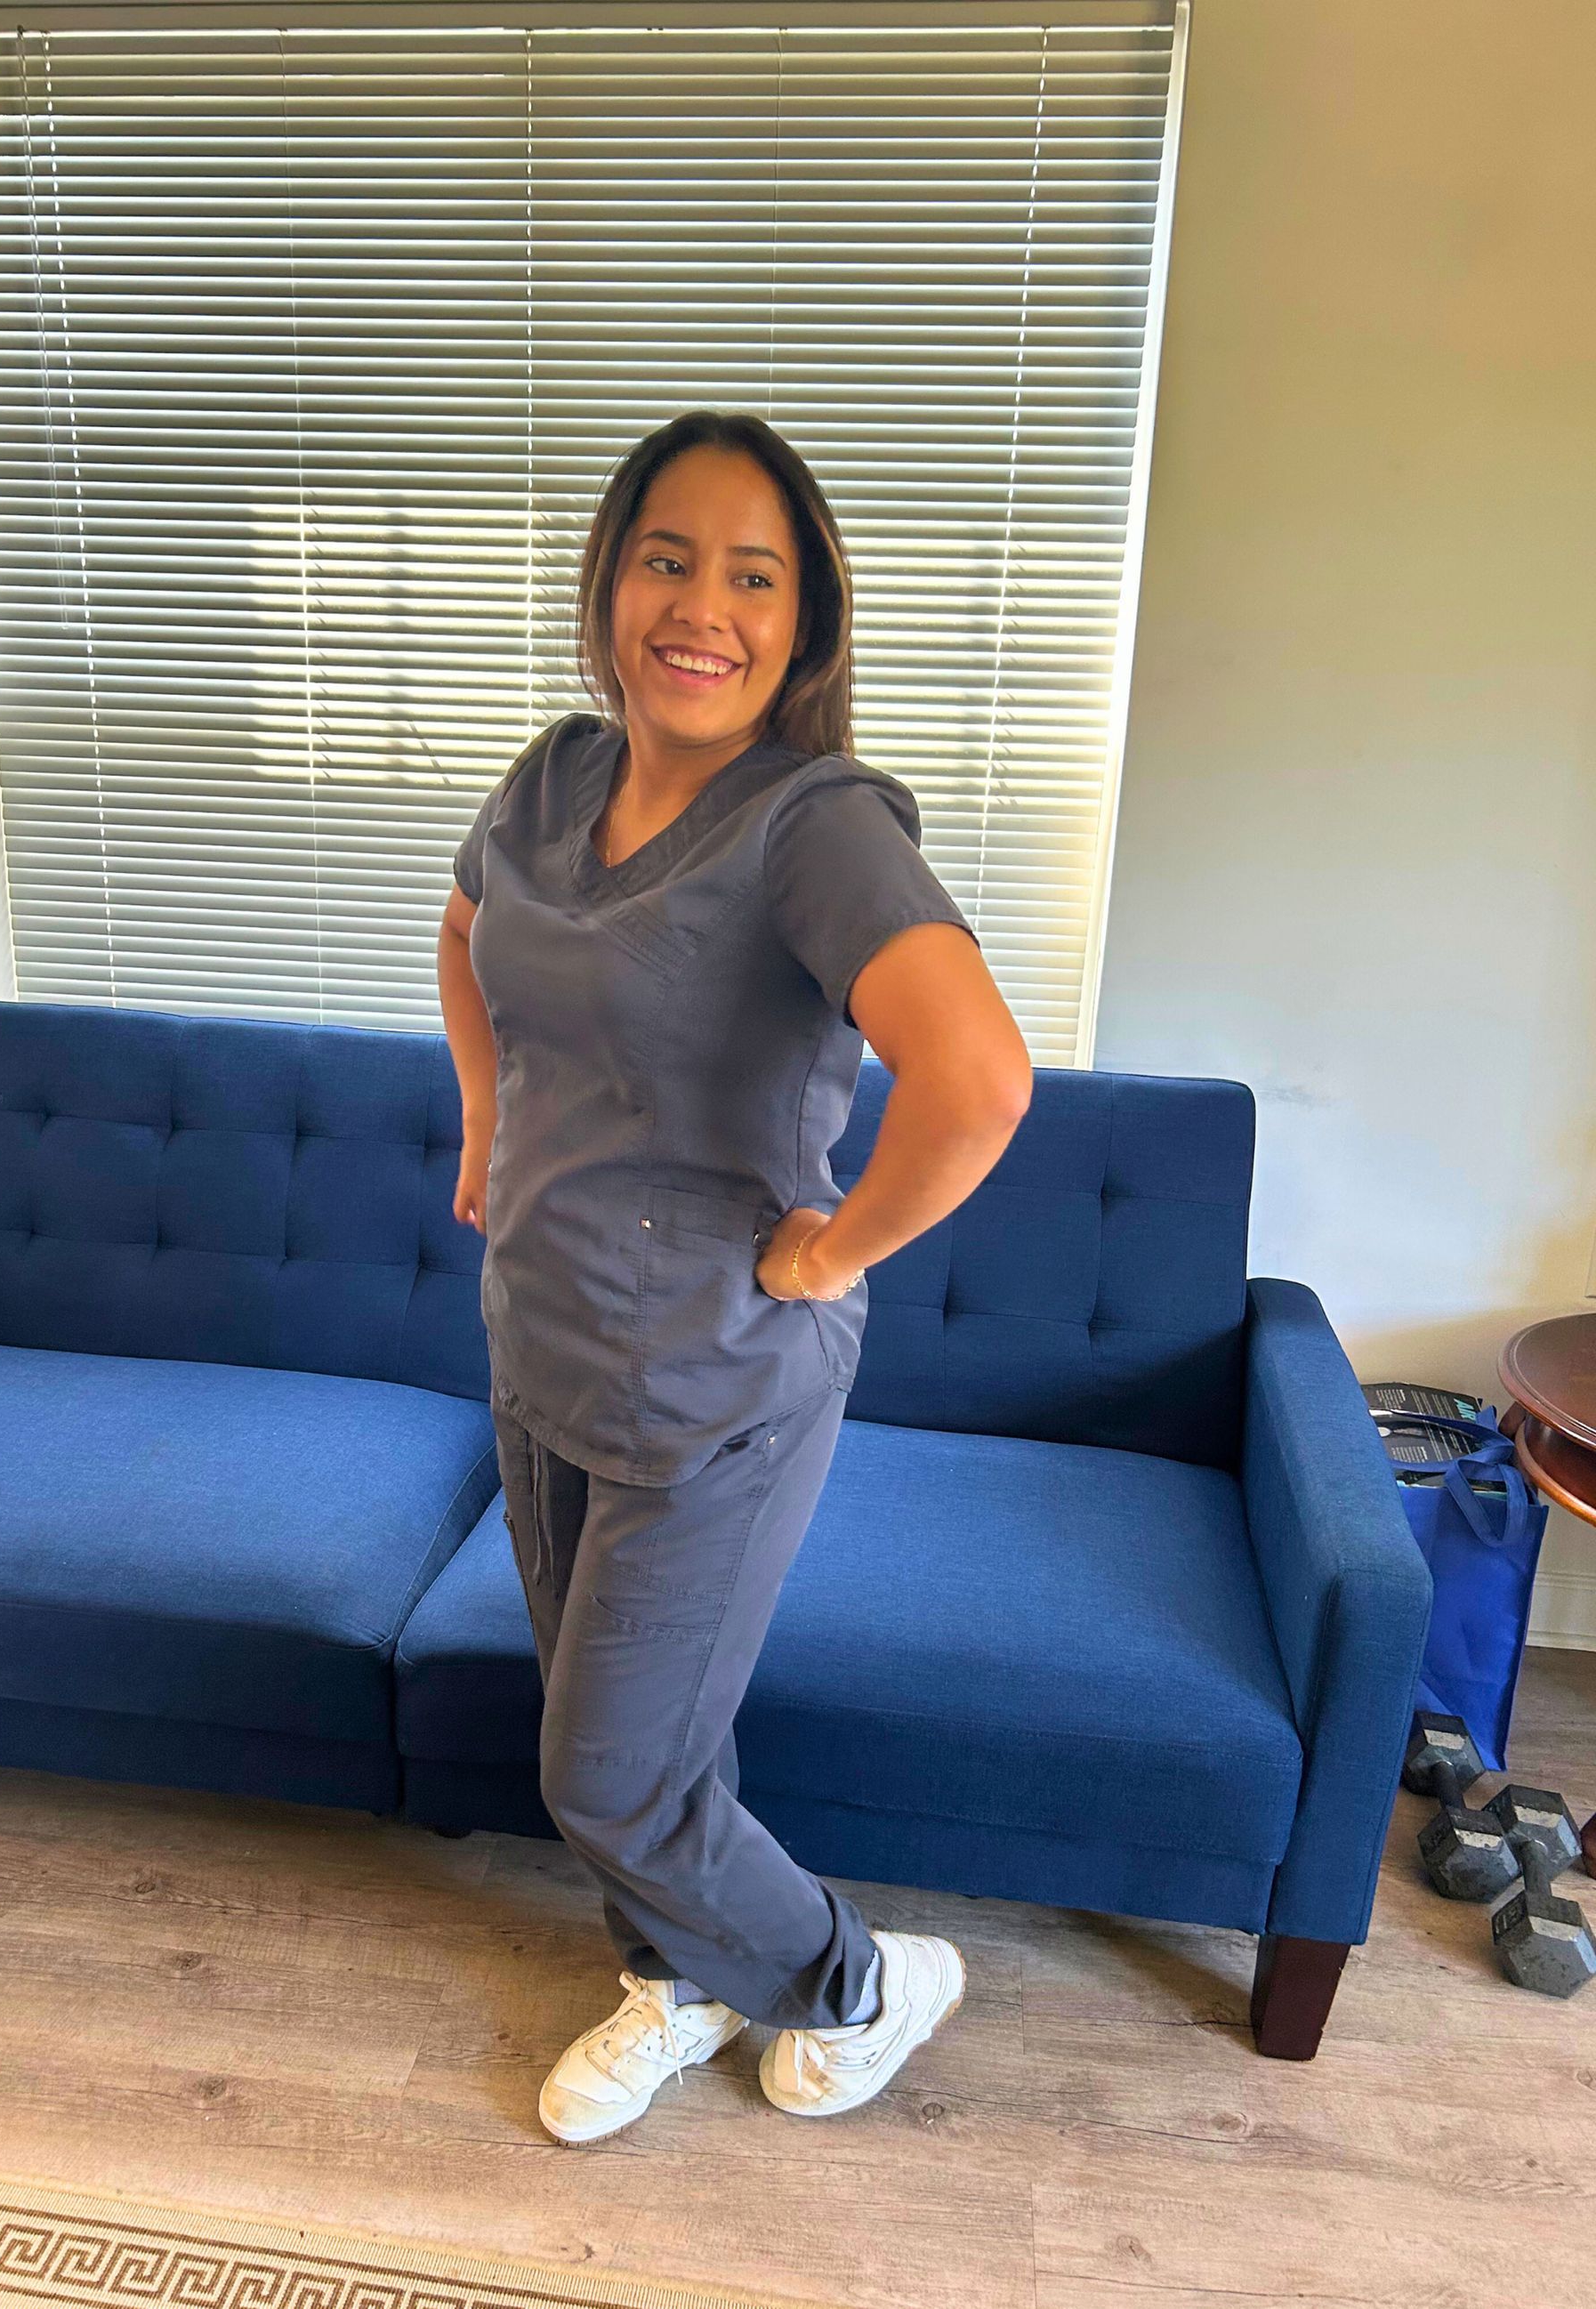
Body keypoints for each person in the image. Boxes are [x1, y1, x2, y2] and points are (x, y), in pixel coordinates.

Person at [436, 410, 1034, 2145]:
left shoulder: (813, 825)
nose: (703, 605)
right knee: (624, 1726)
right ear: (612, 581)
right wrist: (484, 1120)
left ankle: (856, 1978)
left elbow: (981, 1078)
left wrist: (833, 1240)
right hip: (540, 1338)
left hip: (718, 1380)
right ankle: (683, 1973)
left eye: (753, 574)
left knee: (598, 1765)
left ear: (807, 620)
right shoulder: (553, 777)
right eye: (668, 557)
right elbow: (470, 927)